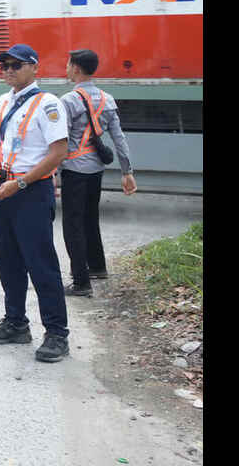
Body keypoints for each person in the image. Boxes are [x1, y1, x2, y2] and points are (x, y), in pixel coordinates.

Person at [0, 44, 71, 363]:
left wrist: (19, 183)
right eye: (4, 65)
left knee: (40, 263)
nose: (9, 70)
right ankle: (16, 322)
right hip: (1, 190)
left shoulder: (49, 104)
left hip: (30, 191)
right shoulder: (1, 102)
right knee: (7, 261)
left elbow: (58, 152)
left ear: (34, 67)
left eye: (16, 65)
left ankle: (57, 333)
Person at [59, 49, 137, 297]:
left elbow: (61, 142)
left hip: (74, 169)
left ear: (76, 68)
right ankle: (97, 267)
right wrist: (127, 171)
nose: (66, 68)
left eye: (68, 64)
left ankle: (80, 283)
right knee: (90, 218)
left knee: (72, 225)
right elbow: (119, 138)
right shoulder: (107, 99)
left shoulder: (68, 101)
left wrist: (52, 174)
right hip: (96, 170)